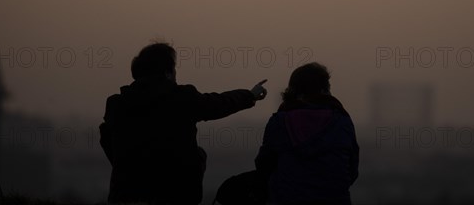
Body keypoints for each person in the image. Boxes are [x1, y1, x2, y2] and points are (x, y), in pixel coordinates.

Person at [99, 42, 268, 205]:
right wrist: (250, 95)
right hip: (176, 195)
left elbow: (106, 140)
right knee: (199, 154)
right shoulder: (182, 98)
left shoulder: (116, 105)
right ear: (167, 73)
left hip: (124, 194)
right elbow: (219, 103)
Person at [255, 62, 359, 205]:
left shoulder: (279, 122)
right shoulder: (342, 121)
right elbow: (352, 170)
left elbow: (263, 166)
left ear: (293, 91)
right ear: (325, 90)